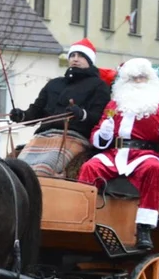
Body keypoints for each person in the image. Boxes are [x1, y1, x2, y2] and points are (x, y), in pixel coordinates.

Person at [77, 58, 159, 251]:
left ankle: (144, 228)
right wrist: (102, 134)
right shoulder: (115, 103)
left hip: (146, 153)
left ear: (150, 79)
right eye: (133, 78)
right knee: (90, 167)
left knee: (153, 168)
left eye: (142, 77)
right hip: (115, 153)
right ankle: (81, 217)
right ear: (125, 81)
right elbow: (97, 133)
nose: (138, 82)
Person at [10, 38, 111, 177]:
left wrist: (82, 114)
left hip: (73, 137)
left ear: (90, 60)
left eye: (81, 56)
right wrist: (21, 115)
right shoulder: (54, 84)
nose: (75, 59)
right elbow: (36, 111)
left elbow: (99, 117)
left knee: (43, 170)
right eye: (72, 55)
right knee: (18, 170)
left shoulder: (99, 86)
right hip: (42, 136)